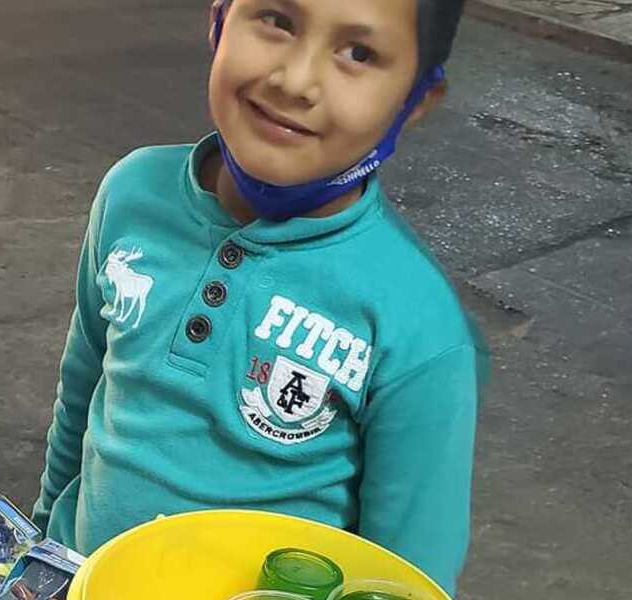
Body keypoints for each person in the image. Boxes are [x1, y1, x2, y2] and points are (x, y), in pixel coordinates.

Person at [32, 0, 487, 595]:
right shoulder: (132, 193)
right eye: (277, 20)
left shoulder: (418, 323)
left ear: (417, 98)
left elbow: (408, 579)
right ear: (220, 17)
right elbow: (82, 394)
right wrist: (40, 548)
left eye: (359, 53)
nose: (294, 81)